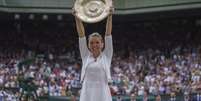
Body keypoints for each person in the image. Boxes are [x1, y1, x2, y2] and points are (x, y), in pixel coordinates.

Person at [73, 6, 114, 101]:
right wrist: (77, 16)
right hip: (87, 94)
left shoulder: (107, 55)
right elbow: (81, 35)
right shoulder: (85, 55)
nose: (94, 45)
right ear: (88, 45)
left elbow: (108, 34)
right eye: (91, 43)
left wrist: (110, 15)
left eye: (97, 42)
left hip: (103, 94)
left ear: (102, 44)